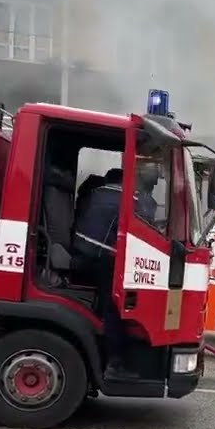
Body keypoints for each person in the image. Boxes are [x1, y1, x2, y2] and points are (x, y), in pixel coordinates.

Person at [71, 161, 162, 380]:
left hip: (80, 251)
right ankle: (115, 363)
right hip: (98, 258)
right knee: (118, 306)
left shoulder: (98, 191)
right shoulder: (133, 201)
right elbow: (147, 229)